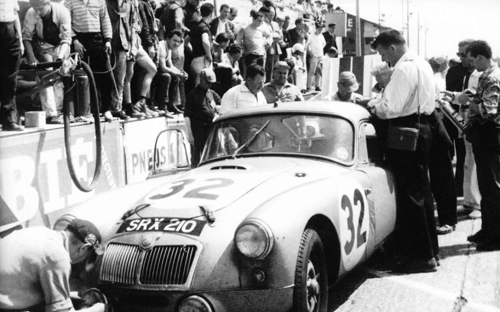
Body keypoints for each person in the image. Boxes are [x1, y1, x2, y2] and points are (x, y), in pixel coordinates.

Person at [366, 29, 438, 273]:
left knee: (409, 197)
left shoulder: (403, 69)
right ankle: (431, 251)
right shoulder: (422, 64)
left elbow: (390, 107)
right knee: (422, 192)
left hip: (405, 130)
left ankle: (420, 256)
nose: (384, 58)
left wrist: (373, 106)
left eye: (383, 52)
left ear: (392, 47)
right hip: (423, 126)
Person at [0, 219, 106, 312]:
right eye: (86, 257)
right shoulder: (58, 257)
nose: (81, 261)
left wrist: (66, 296)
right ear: (84, 248)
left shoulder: (41, 231)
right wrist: (98, 309)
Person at [463, 40, 500, 251]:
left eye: (472, 60)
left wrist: (469, 102)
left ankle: (496, 237)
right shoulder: (488, 75)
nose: (472, 65)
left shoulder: (493, 77)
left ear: (480, 57)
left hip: (490, 135)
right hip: (485, 136)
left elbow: (488, 111)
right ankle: (488, 230)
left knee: (492, 188)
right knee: (486, 186)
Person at [444, 39, 481, 219]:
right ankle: (468, 200)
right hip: (463, 122)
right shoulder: (462, 72)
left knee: (476, 164)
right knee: (466, 162)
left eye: (463, 54)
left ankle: (478, 204)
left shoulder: (482, 74)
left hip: (478, 124)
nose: (461, 58)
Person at [23, 0, 71, 124]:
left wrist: (60, 58)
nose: (38, 13)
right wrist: (32, 57)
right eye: (35, 9)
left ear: (48, 4)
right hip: (43, 46)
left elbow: (66, 39)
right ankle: (50, 113)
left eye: (40, 9)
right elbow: (27, 38)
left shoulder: (62, 11)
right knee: (47, 75)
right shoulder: (31, 13)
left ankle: (59, 113)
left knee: (60, 74)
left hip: (61, 46)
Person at [64, 0, 113, 120]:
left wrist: (108, 40)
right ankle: (84, 111)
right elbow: (66, 23)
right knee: (81, 76)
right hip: (78, 40)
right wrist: (75, 41)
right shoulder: (69, 2)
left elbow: (105, 20)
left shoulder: (100, 1)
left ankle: (105, 109)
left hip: (96, 38)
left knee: (104, 75)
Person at [184, 68, 220, 166]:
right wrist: (189, 135)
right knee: (196, 156)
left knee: (212, 154)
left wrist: (218, 108)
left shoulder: (211, 93)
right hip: (198, 129)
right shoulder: (192, 95)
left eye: (211, 83)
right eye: (208, 83)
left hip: (210, 128)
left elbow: (221, 103)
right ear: (201, 79)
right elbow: (187, 116)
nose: (209, 85)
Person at [0, 0, 23, 131]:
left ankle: (8, 120)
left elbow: (15, 14)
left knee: (10, 78)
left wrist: (20, 40)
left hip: (10, 30)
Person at [155, 29, 187, 115]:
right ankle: (162, 106)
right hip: (155, 71)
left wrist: (181, 72)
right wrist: (178, 73)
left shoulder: (169, 48)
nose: (176, 44)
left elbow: (171, 65)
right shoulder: (162, 46)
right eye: (174, 40)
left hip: (160, 70)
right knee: (167, 76)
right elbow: (163, 68)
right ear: (168, 39)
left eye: (178, 42)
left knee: (176, 77)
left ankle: (171, 105)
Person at [236, 8, 270, 74]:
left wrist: (266, 44)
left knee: (261, 74)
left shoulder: (262, 27)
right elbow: (238, 40)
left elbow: (269, 36)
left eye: (262, 21)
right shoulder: (245, 28)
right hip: (250, 55)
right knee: (252, 74)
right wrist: (242, 49)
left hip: (261, 55)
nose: (261, 23)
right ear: (253, 19)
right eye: (259, 21)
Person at [188, 2, 214, 86]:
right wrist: (209, 55)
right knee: (203, 88)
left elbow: (185, 42)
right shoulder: (205, 28)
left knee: (197, 86)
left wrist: (192, 52)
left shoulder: (195, 27)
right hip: (203, 61)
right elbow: (205, 42)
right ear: (211, 14)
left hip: (195, 60)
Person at [307, 22, 326, 92]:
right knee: (312, 71)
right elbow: (308, 45)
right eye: (319, 29)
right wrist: (310, 52)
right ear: (316, 28)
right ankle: (308, 86)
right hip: (314, 55)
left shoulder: (321, 36)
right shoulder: (311, 36)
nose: (320, 30)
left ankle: (317, 86)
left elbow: (324, 43)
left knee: (319, 71)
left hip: (320, 55)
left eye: (321, 29)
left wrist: (320, 48)